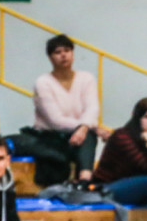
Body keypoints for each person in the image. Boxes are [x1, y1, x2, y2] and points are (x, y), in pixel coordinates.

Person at [30, 34, 110, 182]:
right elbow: (56, 120)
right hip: (51, 137)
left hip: (79, 136)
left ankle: (85, 179)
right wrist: (90, 127)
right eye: (57, 52)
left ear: (73, 54)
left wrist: (85, 127)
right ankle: (84, 179)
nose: (63, 55)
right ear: (50, 58)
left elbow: (92, 108)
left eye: (67, 50)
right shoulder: (43, 82)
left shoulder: (86, 78)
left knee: (88, 136)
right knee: (88, 134)